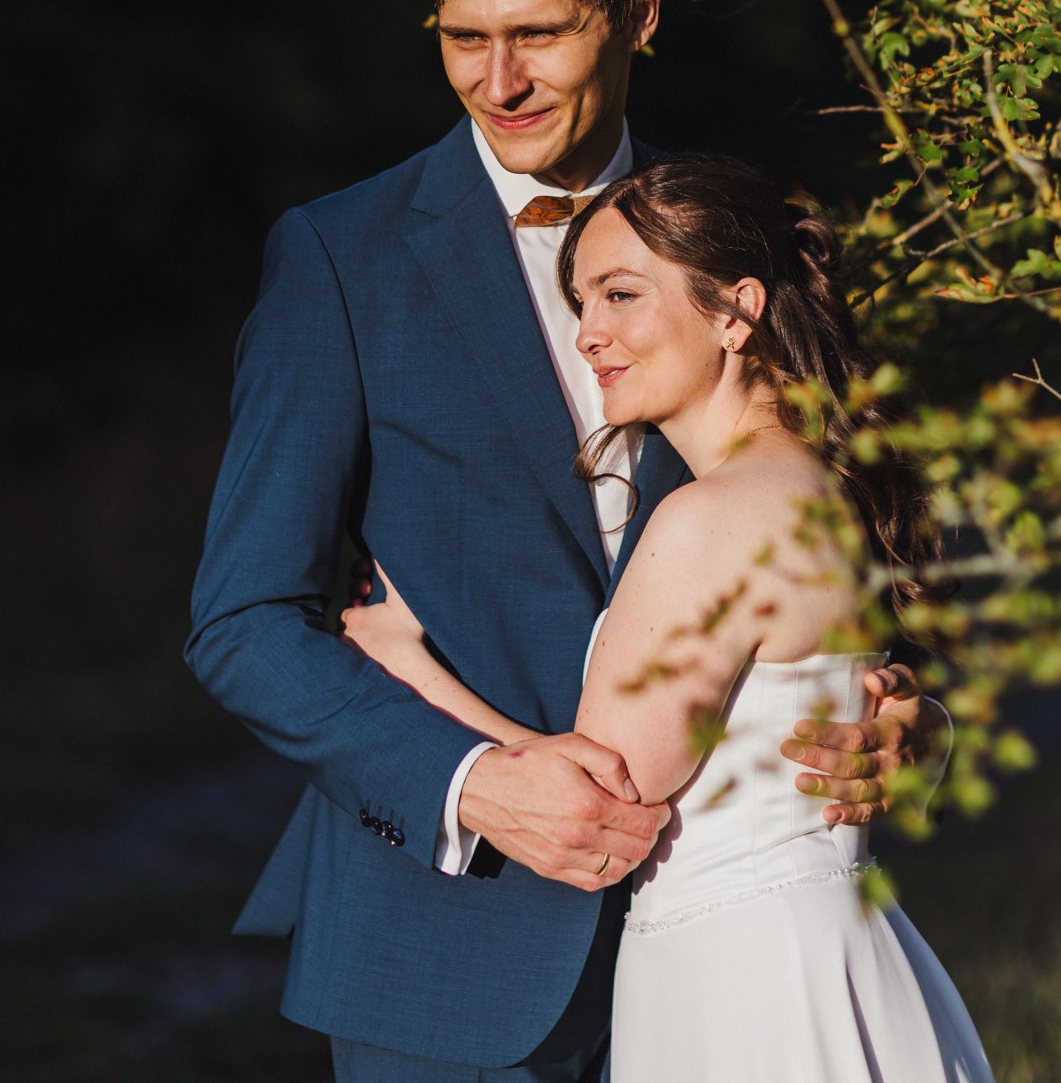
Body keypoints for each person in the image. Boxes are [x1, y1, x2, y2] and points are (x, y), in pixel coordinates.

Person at [186, 0, 948, 1083]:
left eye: (536, 32)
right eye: (460, 37)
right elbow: (241, 619)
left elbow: (863, 551)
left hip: (740, 960)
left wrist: (913, 725)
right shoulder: (339, 260)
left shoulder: (740, 239)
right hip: (442, 952)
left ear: (637, 14)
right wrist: (471, 781)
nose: (498, 80)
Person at [342, 154, 992, 1082]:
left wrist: (408, 665)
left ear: (735, 311)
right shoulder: (817, 483)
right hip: (832, 948)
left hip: (742, 981)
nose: (589, 336)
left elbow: (606, 810)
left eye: (620, 296)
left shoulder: (708, 519)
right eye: (581, 303)